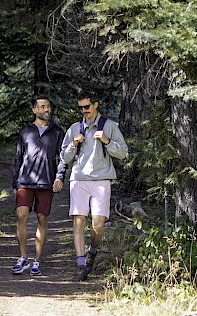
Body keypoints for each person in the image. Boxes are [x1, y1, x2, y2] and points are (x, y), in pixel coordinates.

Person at [61, 92, 128, 281]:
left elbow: (123, 152)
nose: (84, 111)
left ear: (96, 105)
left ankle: (92, 252)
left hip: (101, 180)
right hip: (79, 179)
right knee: (78, 220)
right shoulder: (75, 128)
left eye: (87, 107)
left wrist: (107, 141)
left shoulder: (109, 126)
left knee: (98, 224)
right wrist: (74, 144)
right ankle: (82, 264)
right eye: (80, 108)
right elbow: (64, 157)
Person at [11, 95, 67, 276]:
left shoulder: (57, 132)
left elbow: (63, 158)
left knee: (42, 219)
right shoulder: (25, 131)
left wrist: (59, 177)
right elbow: (18, 158)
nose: (47, 110)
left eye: (48, 107)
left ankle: (37, 261)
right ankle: (23, 258)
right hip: (25, 181)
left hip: (46, 182)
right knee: (21, 216)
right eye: (42, 107)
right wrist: (15, 182)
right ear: (34, 110)